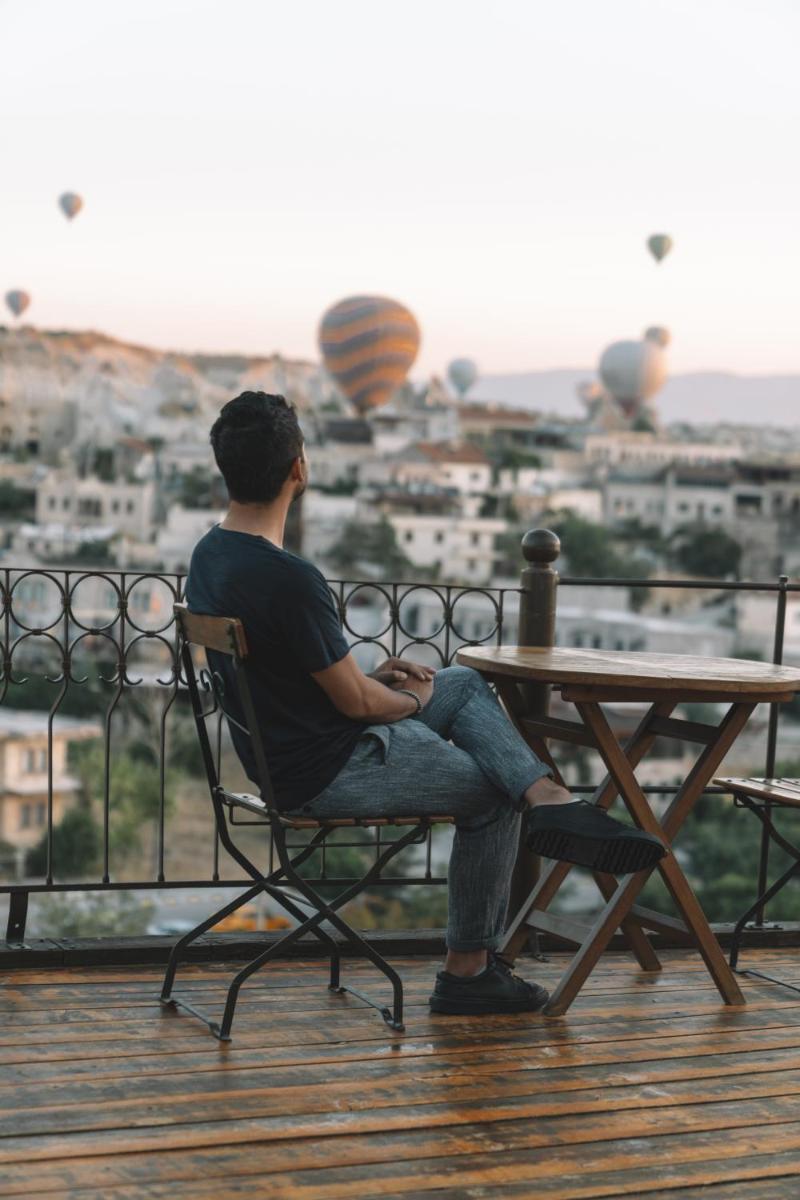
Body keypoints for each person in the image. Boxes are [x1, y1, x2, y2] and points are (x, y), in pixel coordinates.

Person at [186, 392, 666, 1015]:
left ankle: (550, 799)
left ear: (225, 467)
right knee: (494, 793)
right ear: (299, 468)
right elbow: (359, 706)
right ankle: (468, 973)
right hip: (326, 770)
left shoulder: (209, 556)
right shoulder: (291, 579)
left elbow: (289, 676)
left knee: (461, 681)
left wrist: (376, 682)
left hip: (284, 753)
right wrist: (405, 701)